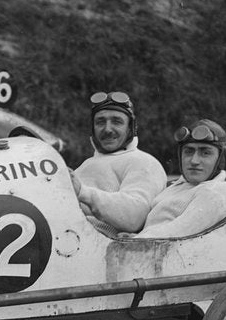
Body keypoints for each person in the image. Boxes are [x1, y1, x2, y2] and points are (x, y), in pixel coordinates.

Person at [70, 91, 168, 237]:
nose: (108, 129)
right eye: (100, 122)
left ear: (130, 128)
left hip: (97, 247)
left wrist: (83, 192)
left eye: (116, 121)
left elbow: (134, 217)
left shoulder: (144, 162)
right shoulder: (85, 165)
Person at [127, 118, 226, 239]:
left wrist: (134, 241)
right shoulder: (176, 186)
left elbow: (176, 233)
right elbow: (159, 229)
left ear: (220, 158)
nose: (194, 161)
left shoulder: (218, 192)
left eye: (205, 153)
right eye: (189, 151)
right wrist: (136, 235)